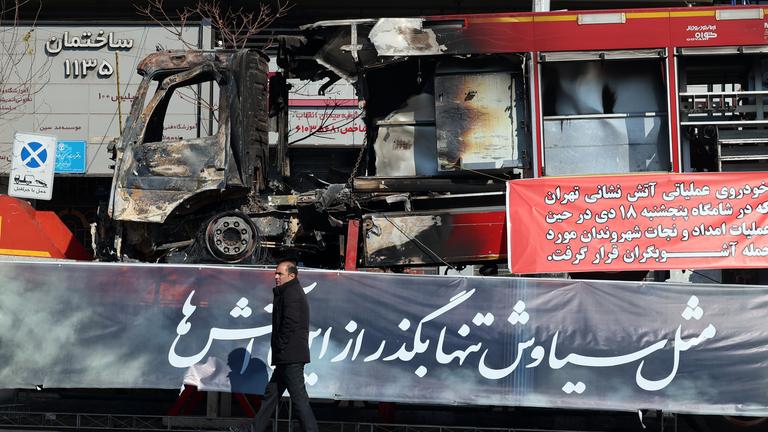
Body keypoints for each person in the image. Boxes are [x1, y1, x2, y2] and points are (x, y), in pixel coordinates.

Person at [250, 260, 318, 432]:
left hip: (290, 356)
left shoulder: (292, 293)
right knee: (271, 396)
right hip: (286, 356)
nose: (276, 276)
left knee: (299, 400)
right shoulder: (287, 292)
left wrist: (280, 345)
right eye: (276, 273)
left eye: (280, 273)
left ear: (292, 275)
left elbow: (290, 323)